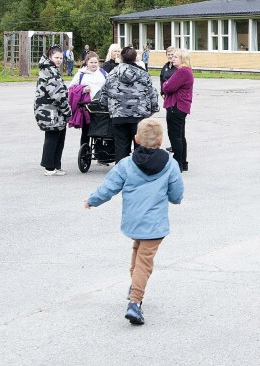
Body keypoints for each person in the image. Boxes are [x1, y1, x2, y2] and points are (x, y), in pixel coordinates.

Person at [84, 117, 184, 325]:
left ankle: (134, 287)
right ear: (160, 141)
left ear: (136, 139)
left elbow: (109, 187)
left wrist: (92, 200)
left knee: (138, 253)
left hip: (133, 221)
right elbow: (176, 195)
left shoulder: (126, 164)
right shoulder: (171, 165)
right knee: (144, 262)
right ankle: (135, 302)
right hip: (155, 225)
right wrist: (174, 198)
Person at [95, 47, 159, 162]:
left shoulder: (112, 74)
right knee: (141, 144)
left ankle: (121, 171)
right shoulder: (143, 74)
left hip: (118, 115)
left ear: (121, 58)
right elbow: (152, 93)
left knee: (120, 146)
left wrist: (107, 107)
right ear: (135, 58)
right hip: (139, 115)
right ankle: (140, 169)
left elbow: (104, 93)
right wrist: (153, 108)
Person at [34, 46, 72, 175]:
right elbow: (58, 95)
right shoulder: (50, 71)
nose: (59, 60)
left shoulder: (50, 70)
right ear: (50, 57)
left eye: (61, 58)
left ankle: (56, 165)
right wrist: (67, 110)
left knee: (58, 137)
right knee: (53, 138)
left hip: (53, 111)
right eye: (56, 57)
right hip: (50, 111)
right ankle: (49, 167)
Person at [161, 48, 194, 172]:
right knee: (180, 135)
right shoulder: (185, 71)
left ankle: (177, 163)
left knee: (175, 136)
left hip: (176, 106)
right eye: (172, 56)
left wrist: (165, 84)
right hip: (181, 106)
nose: (172, 58)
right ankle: (183, 162)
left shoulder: (182, 72)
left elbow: (168, 87)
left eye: (175, 57)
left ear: (182, 59)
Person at [72, 51, 108, 149]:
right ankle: (84, 151)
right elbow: (71, 88)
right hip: (85, 105)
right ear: (87, 62)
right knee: (86, 131)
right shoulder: (81, 74)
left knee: (100, 130)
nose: (93, 64)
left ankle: (99, 153)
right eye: (91, 62)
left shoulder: (103, 73)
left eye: (95, 62)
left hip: (100, 106)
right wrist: (83, 89)